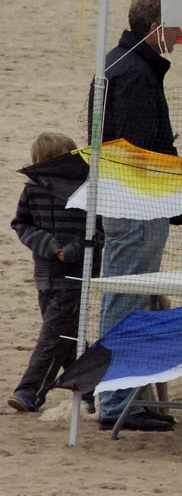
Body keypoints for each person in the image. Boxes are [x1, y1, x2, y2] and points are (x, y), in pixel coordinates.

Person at [89, 0, 180, 432]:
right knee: (126, 299)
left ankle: (120, 395)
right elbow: (139, 149)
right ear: (155, 28)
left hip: (125, 199)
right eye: (175, 26)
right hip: (136, 202)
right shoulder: (135, 74)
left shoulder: (119, 63)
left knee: (129, 296)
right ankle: (116, 401)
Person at [8, 133, 99, 414]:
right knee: (68, 339)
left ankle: (29, 392)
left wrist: (73, 250)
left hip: (74, 277)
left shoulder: (87, 190)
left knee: (53, 336)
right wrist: (51, 247)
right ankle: (92, 389)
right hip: (44, 275)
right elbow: (21, 224)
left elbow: (98, 232)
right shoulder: (33, 189)